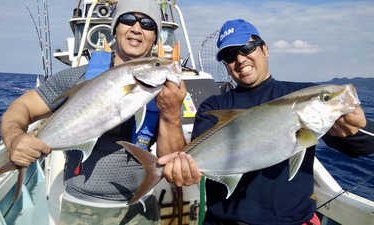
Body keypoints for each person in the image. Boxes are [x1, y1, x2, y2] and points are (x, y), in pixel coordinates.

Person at [158, 19, 374, 224]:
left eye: (247, 48)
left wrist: (358, 126)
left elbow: (361, 148)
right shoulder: (213, 106)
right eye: (230, 55)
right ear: (226, 66)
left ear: (265, 49)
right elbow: (188, 165)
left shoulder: (299, 95)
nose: (240, 58)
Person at [0, 0, 186, 224]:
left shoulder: (166, 94)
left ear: (155, 37)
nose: (137, 28)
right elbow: (21, 107)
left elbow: (173, 162)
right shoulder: (74, 77)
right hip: (79, 209)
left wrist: (172, 112)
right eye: (128, 20)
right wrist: (14, 137)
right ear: (115, 29)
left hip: (140, 211)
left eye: (147, 24)